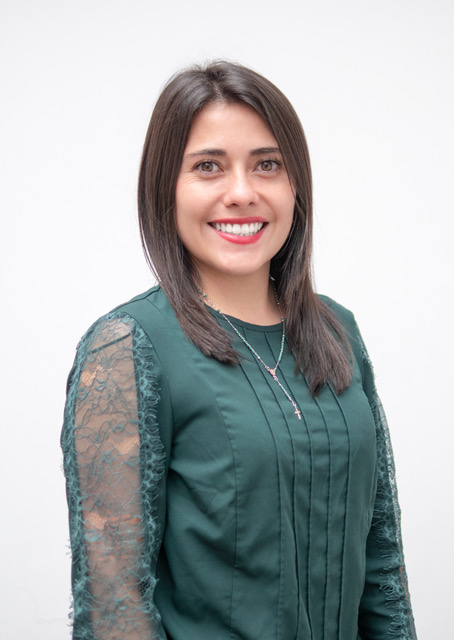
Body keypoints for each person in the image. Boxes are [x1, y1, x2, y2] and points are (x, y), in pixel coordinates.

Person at [61, 61, 417, 640]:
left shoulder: (338, 331)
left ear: (295, 184)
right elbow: (113, 608)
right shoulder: (127, 348)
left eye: (267, 164)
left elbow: (383, 567)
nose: (243, 193)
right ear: (165, 186)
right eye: (208, 166)